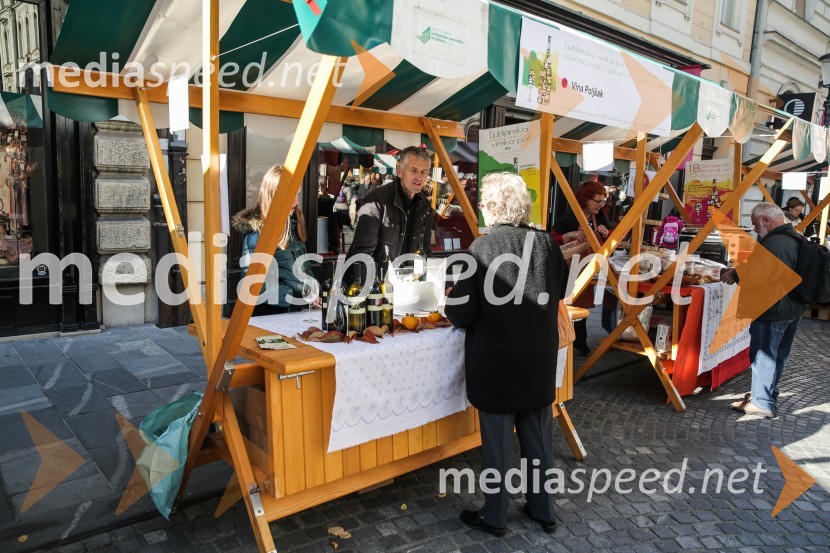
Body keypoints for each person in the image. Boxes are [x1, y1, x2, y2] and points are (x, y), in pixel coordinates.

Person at [445, 172, 568, 537]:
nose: (481, 207)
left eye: (483, 201)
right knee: (538, 439)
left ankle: (495, 515)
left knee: (498, 444)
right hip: (536, 359)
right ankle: (543, 510)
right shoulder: (547, 245)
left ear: (494, 207)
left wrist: (453, 296)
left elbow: (461, 313)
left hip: (497, 362)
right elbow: (559, 290)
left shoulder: (482, 250)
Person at [721, 203, 805, 418]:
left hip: (773, 308)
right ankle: (766, 396)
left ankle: (762, 403)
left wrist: (735, 274)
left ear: (766, 221)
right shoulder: (794, 237)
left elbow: (757, 275)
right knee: (777, 355)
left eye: (755, 225)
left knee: (764, 356)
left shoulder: (774, 243)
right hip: (791, 307)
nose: (755, 230)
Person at [232, 165, 310, 313]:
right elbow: (254, 287)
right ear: (274, 196)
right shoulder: (256, 235)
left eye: (298, 194)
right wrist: (298, 296)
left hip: (295, 312)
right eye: (292, 195)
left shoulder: (294, 224)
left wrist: (313, 290)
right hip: (269, 315)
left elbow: (304, 267)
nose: (297, 202)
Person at [551, 180, 613, 356]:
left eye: (603, 201)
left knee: (583, 302)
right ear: (585, 199)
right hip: (571, 267)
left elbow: (612, 235)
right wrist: (569, 235)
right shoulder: (570, 217)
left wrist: (607, 233)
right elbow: (553, 238)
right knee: (571, 302)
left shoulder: (600, 216)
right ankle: (571, 340)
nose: (601, 205)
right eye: (597, 201)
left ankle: (579, 341)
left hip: (590, 265)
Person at [348, 146, 434, 264]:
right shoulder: (376, 200)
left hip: (409, 279)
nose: (419, 177)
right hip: (379, 279)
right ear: (399, 171)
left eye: (424, 172)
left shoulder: (425, 205)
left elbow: (425, 248)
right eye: (414, 170)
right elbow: (363, 254)